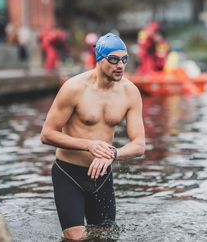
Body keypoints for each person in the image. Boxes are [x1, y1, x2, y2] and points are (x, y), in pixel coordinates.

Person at [40, 32, 145, 240]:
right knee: (75, 237)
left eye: (124, 59)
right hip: (68, 173)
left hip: (101, 175)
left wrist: (113, 153)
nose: (120, 65)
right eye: (113, 59)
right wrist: (88, 145)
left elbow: (139, 145)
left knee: (105, 236)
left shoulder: (130, 92)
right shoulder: (74, 88)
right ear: (99, 59)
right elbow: (47, 134)